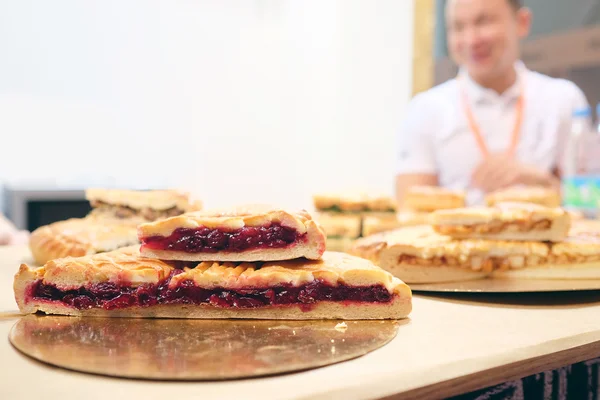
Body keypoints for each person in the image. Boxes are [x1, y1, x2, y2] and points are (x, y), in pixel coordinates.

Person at [395, 0, 589, 206]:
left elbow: (589, 203)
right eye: (458, 27)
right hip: (458, 236)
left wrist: (536, 180)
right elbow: (409, 208)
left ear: (522, 22)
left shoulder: (563, 99)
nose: (471, 39)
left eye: (484, 21)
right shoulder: (426, 109)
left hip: (545, 232)